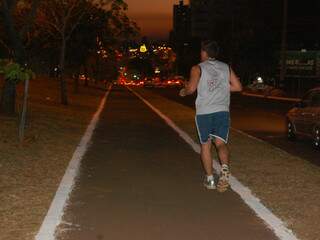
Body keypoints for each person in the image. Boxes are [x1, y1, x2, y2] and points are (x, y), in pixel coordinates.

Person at [179, 41, 242, 192]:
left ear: (204, 53)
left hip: (205, 112)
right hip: (222, 111)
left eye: (201, 51)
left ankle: (210, 180)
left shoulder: (197, 68)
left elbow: (191, 89)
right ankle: (225, 168)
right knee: (220, 143)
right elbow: (238, 87)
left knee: (206, 145)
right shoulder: (226, 67)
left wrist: (183, 91)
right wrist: (219, 87)